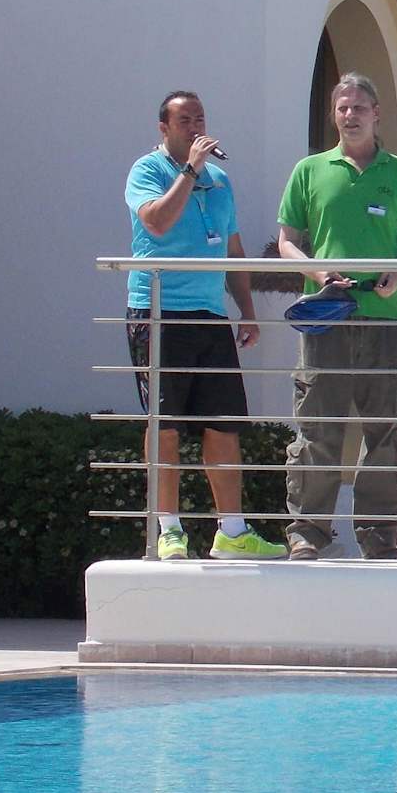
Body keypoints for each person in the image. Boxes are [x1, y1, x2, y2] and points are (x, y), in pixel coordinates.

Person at [277, 73, 397, 561]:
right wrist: (318, 272)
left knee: (384, 431)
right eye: (342, 107)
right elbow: (286, 241)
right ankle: (307, 531)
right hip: (326, 318)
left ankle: (379, 535)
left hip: (384, 320)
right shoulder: (309, 170)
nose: (350, 115)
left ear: (376, 113)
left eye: (359, 107)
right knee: (318, 428)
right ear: (333, 114)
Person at [124, 91, 283, 561]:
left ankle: (232, 531)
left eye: (200, 118)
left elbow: (232, 249)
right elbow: (156, 222)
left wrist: (247, 309)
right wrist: (190, 170)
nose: (195, 127)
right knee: (166, 423)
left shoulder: (220, 180)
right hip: (160, 311)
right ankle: (169, 529)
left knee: (224, 423)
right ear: (164, 128)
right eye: (184, 120)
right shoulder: (147, 170)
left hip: (210, 314)